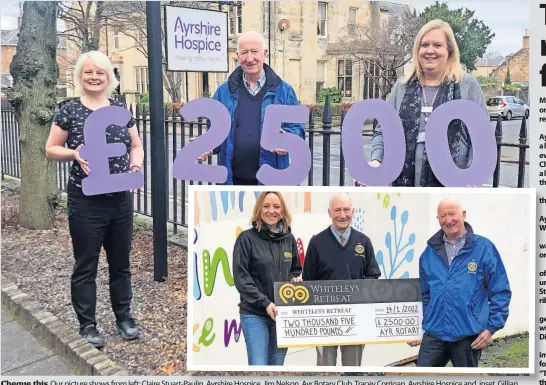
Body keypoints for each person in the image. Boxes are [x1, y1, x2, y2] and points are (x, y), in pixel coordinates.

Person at [45, 50, 144, 349]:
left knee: (120, 263)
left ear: (108, 77)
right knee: (86, 264)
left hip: (120, 201)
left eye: (100, 72)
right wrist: (73, 152)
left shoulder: (120, 109)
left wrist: (135, 166)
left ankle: (124, 318)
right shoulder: (69, 110)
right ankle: (87, 325)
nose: (94, 77)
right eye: (88, 72)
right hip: (86, 201)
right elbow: (51, 148)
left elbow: (136, 146)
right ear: (80, 76)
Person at [363, 19, 488, 187]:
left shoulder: (467, 86)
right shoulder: (401, 87)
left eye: (437, 45)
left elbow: (482, 136)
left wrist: (475, 174)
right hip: (405, 184)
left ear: (449, 50)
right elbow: (383, 131)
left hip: (455, 185)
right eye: (425, 45)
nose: (430, 51)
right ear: (417, 50)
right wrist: (376, 160)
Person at [407, 198, 511, 367]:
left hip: (468, 336)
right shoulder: (429, 253)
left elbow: (500, 290)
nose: (448, 220)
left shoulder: (484, 248)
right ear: (438, 220)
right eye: (443, 216)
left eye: (452, 214)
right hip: (434, 334)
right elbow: (425, 295)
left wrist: (491, 328)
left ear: (463, 215)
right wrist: (414, 328)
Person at [197, 31, 305, 185]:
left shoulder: (285, 91)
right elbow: (215, 131)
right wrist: (208, 145)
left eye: (254, 52)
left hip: (272, 184)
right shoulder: (223, 92)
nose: (249, 58)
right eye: (244, 52)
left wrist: (288, 139)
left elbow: (297, 128)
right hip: (232, 182)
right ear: (238, 55)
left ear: (265, 53)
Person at [302, 194, 381, 367]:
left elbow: (373, 276)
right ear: (329, 212)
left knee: (352, 369)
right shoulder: (316, 243)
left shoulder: (364, 242)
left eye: (346, 210)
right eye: (337, 210)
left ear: (353, 211)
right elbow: (308, 281)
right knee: (325, 369)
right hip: (325, 319)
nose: (342, 215)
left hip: (356, 318)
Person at [233, 191, 303, 365]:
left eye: (276, 206)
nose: (271, 211)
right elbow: (242, 278)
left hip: (282, 314)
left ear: (283, 210)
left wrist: (295, 279)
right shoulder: (246, 239)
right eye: (266, 206)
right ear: (259, 210)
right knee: (258, 365)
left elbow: (295, 268)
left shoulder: (289, 239)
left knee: (277, 366)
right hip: (255, 313)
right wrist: (265, 303)